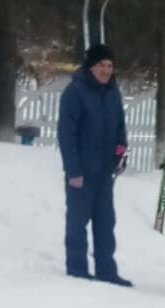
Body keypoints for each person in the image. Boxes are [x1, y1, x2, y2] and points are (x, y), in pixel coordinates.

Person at [56, 43, 131, 285]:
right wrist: (73, 170)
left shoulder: (112, 93)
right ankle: (77, 269)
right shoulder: (75, 92)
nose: (106, 70)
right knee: (78, 221)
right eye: (102, 65)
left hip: (105, 172)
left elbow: (120, 129)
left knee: (105, 222)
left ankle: (106, 270)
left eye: (110, 66)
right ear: (91, 67)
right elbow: (66, 135)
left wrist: (120, 154)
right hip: (82, 172)